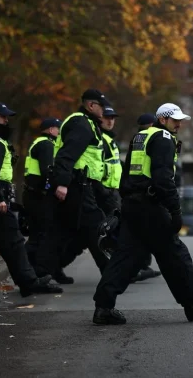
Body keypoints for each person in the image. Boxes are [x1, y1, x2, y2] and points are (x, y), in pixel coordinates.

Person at [92, 103, 193, 324]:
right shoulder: (163, 138)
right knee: (175, 253)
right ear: (163, 120)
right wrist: (175, 210)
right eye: (175, 120)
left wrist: (125, 201)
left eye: (180, 120)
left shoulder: (140, 137)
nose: (179, 124)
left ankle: (103, 307)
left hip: (133, 204)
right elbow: (163, 178)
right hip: (151, 206)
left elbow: (126, 173)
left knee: (125, 257)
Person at [0, 102, 62, 296]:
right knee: (13, 242)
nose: (7, 120)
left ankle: (28, 281)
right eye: (3, 116)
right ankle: (29, 282)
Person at [36, 90, 114, 280]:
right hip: (76, 186)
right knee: (96, 227)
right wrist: (62, 183)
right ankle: (112, 275)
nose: (104, 111)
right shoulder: (81, 123)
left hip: (81, 185)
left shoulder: (87, 124)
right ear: (91, 105)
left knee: (61, 231)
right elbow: (66, 155)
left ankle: (41, 271)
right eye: (101, 106)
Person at [101, 106, 161, 283]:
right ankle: (128, 270)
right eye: (107, 117)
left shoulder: (118, 140)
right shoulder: (146, 140)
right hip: (107, 191)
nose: (111, 121)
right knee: (115, 233)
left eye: (113, 117)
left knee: (126, 232)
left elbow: (121, 167)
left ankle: (136, 267)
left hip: (115, 191)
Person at [23, 117, 65, 279]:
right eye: (57, 128)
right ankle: (28, 270)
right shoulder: (46, 144)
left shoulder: (40, 142)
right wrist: (56, 188)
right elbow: (48, 170)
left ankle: (31, 271)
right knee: (40, 235)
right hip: (38, 196)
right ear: (50, 130)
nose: (59, 132)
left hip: (33, 194)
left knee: (38, 234)